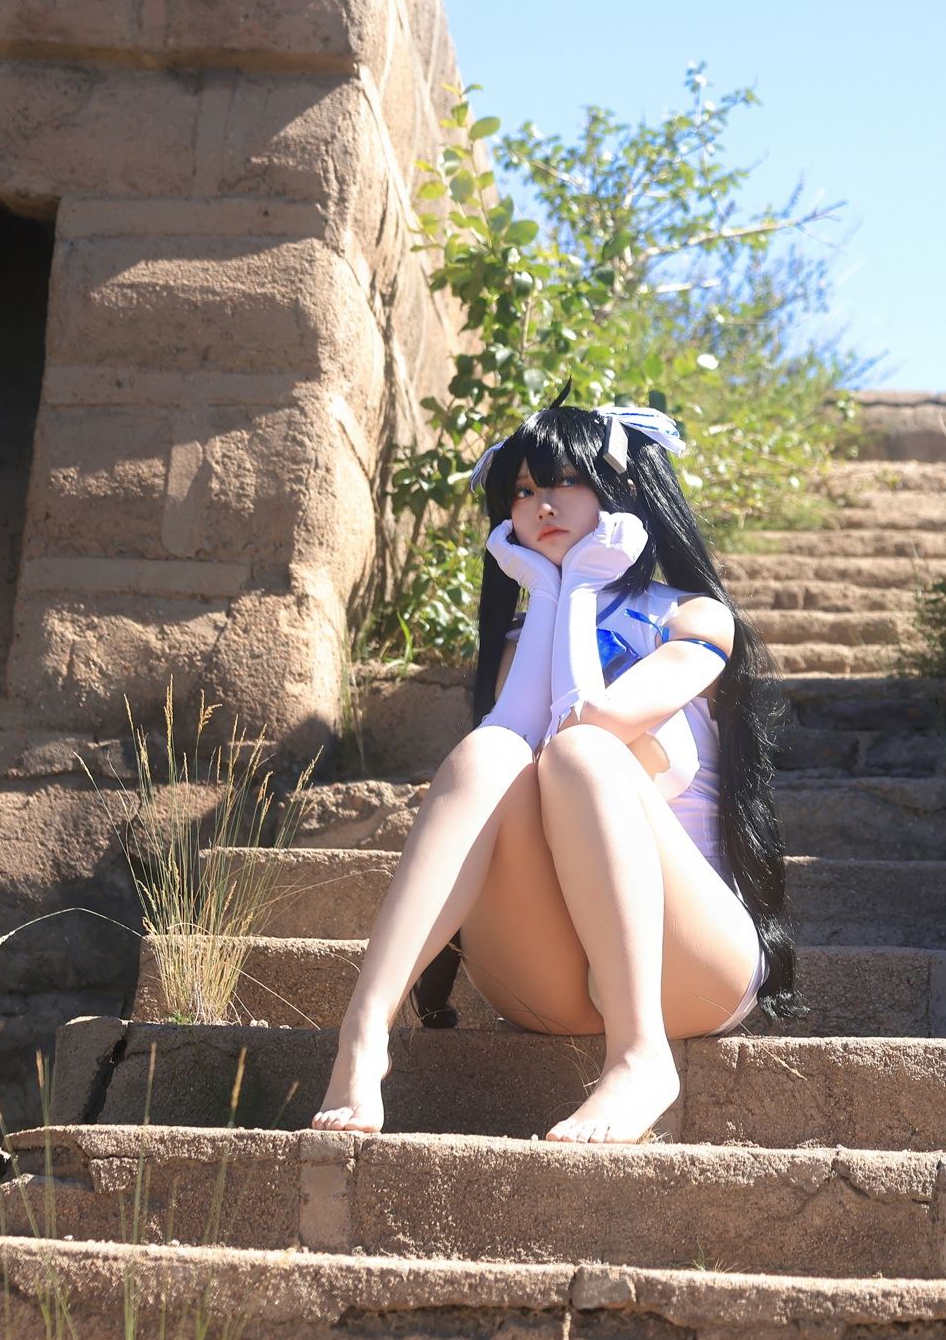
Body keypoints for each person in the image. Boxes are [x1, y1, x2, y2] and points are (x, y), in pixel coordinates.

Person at [308, 399, 792, 1143]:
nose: (541, 504)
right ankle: (363, 1034)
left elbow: (590, 722)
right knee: (489, 753)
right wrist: (553, 596)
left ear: (622, 490)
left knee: (580, 752)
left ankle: (640, 1055)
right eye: (524, 490)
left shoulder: (692, 619)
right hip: (547, 982)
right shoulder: (520, 642)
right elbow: (513, 740)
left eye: (566, 480)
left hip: (693, 967)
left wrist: (582, 584)